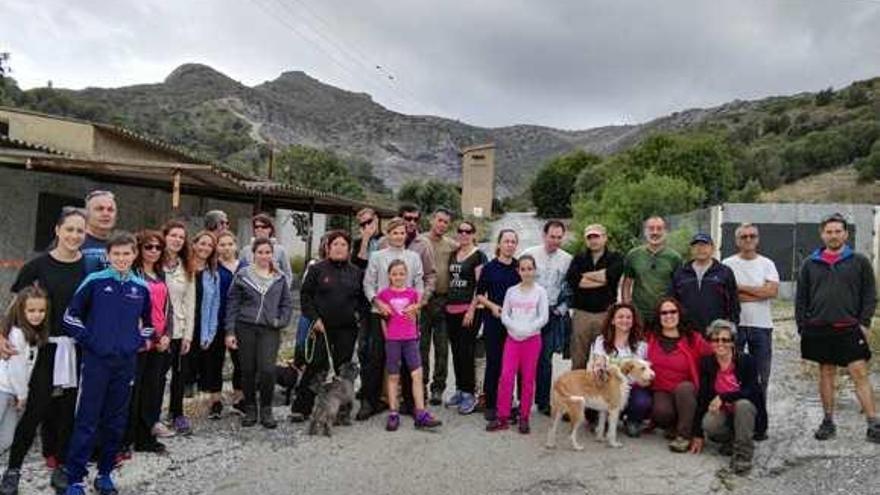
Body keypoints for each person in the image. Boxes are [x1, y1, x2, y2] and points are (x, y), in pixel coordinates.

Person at [61, 232, 154, 495]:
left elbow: (149, 326)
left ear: (134, 254)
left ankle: (104, 474)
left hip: (125, 363)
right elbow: (70, 318)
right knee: (87, 419)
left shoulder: (141, 287)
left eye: (126, 253)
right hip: (96, 362)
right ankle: (75, 479)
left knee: (115, 420)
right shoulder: (95, 281)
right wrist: (91, 341)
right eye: (117, 254)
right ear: (108, 256)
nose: (122, 258)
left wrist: (136, 342)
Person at [0, 208, 86, 495]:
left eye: (80, 231)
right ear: (58, 231)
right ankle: (13, 470)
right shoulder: (37, 266)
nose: (74, 235)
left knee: (66, 413)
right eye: (70, 229)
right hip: (44, 350)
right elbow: (15, 307)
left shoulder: (90, 267)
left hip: (75, 350)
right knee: (35, 411)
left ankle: (61, 467)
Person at [796, 213, 879, 443]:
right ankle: (828, 421)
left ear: (845, 233)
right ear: (822, 234)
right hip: (819, 329)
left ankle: (873, 423)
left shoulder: (859, 261)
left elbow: (870, 295)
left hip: (849, 329)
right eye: (829, 232)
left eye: (837, 231)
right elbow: (801, 298)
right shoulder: (809, 264)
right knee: (826, 374)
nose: (833, 235)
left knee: (859, 373)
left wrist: (864, 324)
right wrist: (802, 326)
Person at [290, 231, 363, 422]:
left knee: (343, 369)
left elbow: (362, 300)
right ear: (328, 247)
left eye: (343, 245)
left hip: (347, 329)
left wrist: (358, 317)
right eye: (335, 244)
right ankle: (302, 407)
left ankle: (342, 411)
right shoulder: (317, 269)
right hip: (320, 327)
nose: (339, 248)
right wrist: (314, 319)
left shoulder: (356, 272)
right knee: (316, 365)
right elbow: (305, 296)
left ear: (349, 249)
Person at [357, 218, 425, 421]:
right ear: (388, 234)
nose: (398, 236)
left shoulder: (413, 257)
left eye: (402, 232)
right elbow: (368, 284)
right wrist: (377, 303)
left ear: (406, 235)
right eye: (394, 232)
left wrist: (417, 305)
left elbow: (419, 283)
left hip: (406, 315)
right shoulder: (377, 256)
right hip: (382, 314)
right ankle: (370, 401)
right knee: (376, 358)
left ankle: (410, 404)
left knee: (408, 362)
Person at [225, 238, 293, 429]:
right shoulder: (243, 275)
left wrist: (280, 321)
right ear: (253, 254)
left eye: (267, 252)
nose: (264, 256)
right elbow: (232, 304)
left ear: (273, 254)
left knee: (267, 369)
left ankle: (266, 409)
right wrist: (230, 331)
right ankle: (250, 408)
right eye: (260, 252)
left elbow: (286, 305)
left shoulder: (279, 278)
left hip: (269, 330)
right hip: (245, 327)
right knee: (247, 370)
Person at [722, 222, 778, 436]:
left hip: (762, 327)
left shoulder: (767, 264)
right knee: (731, 376)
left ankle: (759, 424)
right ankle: (733, 423)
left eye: (751, 236)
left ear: (757, 239)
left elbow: (771, 292)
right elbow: (728, 295)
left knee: (761, 377)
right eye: (743, 236)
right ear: (737, 240)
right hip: (735, 327)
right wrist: (758, 291)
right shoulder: (727, 264)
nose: (748, 240)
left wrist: (740, 288)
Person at [690, 320, 766, 475]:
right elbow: (702, 398)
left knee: (743, 404)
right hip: (725, 415)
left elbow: (753, 391)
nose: (720, 344)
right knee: (709, 423)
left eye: (725, 340)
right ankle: (731, 441)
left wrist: (724, 397)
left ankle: (743, 456)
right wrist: (697, 433)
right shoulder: (706, 363)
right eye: (715, 340)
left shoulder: (747, 361)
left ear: (733, 342)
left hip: (747, 414)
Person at [123, 231, 174, 455]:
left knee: (151, 392)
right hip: (140, 343)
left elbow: (167, 309)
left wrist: (167, 335)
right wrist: (152, 336)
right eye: (148, 247)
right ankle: (126, 439)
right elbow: (133, 311)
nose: (153, 251)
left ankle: (145, 438)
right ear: (139, 249)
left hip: (160, 344)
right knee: (133, 393)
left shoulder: (160, 274)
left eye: (158, 248)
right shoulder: (132, 275)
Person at [486, 255, 549, 434]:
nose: (527, 272)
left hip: (532, 340)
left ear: (534, 270)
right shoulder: (511, 291)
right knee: (506, 377)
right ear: (518, 271)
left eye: (530, 269)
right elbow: (505, 315)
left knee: (528, 379)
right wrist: (515, 329)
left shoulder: (540, 292)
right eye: (523, 269)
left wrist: (527, 330)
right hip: (513, 339)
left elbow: (543, 317)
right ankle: (503, 416)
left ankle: (524, 416)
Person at [377, 261, 442, 431]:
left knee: (417, 374)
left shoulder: (413, 294)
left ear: (406, 275)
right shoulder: (383, 295)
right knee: (393, 377)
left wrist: (416, 332)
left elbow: (416, 315)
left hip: (410, 339)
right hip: (393, 340)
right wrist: (387, 338)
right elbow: (382, 321)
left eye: (401, 274)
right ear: (389, 276)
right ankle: (393, 413)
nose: (398, 277)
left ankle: (420, 412)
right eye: (394, 274)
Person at [647, 297, 712, 453]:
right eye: (664, 313)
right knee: (661, 412)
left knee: (684, 389)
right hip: (661, 389)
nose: (669, 316)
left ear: (679, 314)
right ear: (658, 316)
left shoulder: (693, 338)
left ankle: (684, 436)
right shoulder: (650, 338)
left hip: (687, 391)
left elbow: (715, 353)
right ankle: (673, 425)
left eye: (673, 311)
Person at [521, 220, 572, 416]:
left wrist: (560, 309)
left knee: (545, 359)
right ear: (544, 235)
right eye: (552, 236)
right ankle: (520, 398)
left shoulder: (567, 259)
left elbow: (570, 290)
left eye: (559, 237)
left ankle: (543, 401)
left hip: (552, 314)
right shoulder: (530, 254)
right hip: (529, 312)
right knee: (525, 357)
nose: (555, 241)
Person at [475, 229, 521, 422]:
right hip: (494, 321)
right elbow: (479, 295)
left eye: (513, 242)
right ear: (499, 244)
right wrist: (492, 306)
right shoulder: (489, 268)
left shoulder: (519, 268)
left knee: (510, 366)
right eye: (506, 241)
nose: (510, 245)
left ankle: (508, 403)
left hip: (515, 323)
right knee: (494, 363)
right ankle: (491, 404)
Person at [587, 303, 651, 437]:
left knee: (642, 401)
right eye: (620, 317)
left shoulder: (641, 345)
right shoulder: (601, 341)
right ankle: (603, 419)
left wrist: (642, 380)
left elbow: (644, 374)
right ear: (612, 320)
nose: (625, 320)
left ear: (633, 321)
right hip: (607, 386)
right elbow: (598, 363)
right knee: (589, 406)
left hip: (631, 387)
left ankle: (632, 421)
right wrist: (598, 367)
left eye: (629, 317)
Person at [443, 220, 486, 415]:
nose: (463, 234)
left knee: (467, 352)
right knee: (456, 351)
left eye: (468, 231)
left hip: (469, 312)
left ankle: (470, 394)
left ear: (473, 234)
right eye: (460, 231)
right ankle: (460, 389)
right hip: (451, 309)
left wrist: (471, 309)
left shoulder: (478, 256)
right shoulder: (453, 254)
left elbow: (480, 287)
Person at [567, 224, 624, 370]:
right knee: (578, 360)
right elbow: (574, 281)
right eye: (589, 237)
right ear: (586, 240)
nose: (593, 240)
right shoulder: (579, 259)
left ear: (605, 238)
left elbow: (612, 276)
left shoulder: (615, 258)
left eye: (596, 236)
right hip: (582, 315)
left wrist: (585, 277)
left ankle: (601, 392)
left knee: (604, 360)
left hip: (606, 314)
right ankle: (578, 391)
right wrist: (602, 278)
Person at [0, 286, 47, 455]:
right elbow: (16, 369)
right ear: (21, 310)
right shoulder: (17, 334)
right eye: (31, 310)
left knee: (7, 438)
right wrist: (22, 395)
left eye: (41, 310)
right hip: (4, 389)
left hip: (12, 391)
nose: (37, 314)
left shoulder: (32, 333)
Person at [420, 208, 458, 406]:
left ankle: (438, 388)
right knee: (422, 348)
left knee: (442, 348)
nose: (442, 224)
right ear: (431, 219)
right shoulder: (419, 242)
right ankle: (421, 387)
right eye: (440, 220)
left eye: (446, 222)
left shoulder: (452, 245)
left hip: (444, 301)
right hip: (422, 302)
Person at [162, 220, 195, 436]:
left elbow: (190, 303)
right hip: (159, 331)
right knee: (156, 376)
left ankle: (177, 413)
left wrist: (188, 335)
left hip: (179, 329)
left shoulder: (187, 267)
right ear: (164, 236)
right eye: (173, 235)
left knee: (179, 375)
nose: (176, 240)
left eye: (181, 237)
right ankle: (151, 415)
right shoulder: (154, 264)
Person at [669, 233, 740, 333]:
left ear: (712, 248)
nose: (700, 248)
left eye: (704, 245)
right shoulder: (681, 273)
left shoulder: (724, 272)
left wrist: (732, 325)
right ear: (691, 249)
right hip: (687, 331)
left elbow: (734, 303)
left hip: (716, 331)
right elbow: (672, 301)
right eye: (696, 245)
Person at [621, 216, 682, 325]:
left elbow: (679, 288)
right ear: (645, 232)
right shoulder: (633, 255)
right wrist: (628, 308)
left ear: (665, 232)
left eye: (659, 228)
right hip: (639, 314)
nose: (655, 232)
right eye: (651, 228)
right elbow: (627, 284)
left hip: (663, 314)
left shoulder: (675, 258)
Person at [189, 232, 222, 420]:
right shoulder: (183, 268)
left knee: (204, 367)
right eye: (202, 243)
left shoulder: (213, 275)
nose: (205, 248)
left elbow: (214, 305)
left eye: (210, 245)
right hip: (184, 328)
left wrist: (209, 333)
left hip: (202, 328)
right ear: (194, 244)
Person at [216, 231, 247, 415]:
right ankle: (215, 399)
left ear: (236, 246)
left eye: (230, 244)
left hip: (241, 322)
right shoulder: (213, 267)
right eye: (222, 244)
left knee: (240, 362)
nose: (226, 248)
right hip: (218, 321)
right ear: (217, 247)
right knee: (215, 361)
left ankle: (239, 397)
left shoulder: (245, 267)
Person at [242, 214, 293, 286]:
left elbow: (288, 274)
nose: (259, 229)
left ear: (270, 229)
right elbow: (240, 274)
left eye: (263, 227)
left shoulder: (280, 250)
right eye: (256, 227)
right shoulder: (246, 250)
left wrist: (283, 292)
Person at [81, 190, 118, 274]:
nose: (106, 214)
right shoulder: (74, 240)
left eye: (110, 210)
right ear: (87, 213)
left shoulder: (122, 243)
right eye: (99, 209)